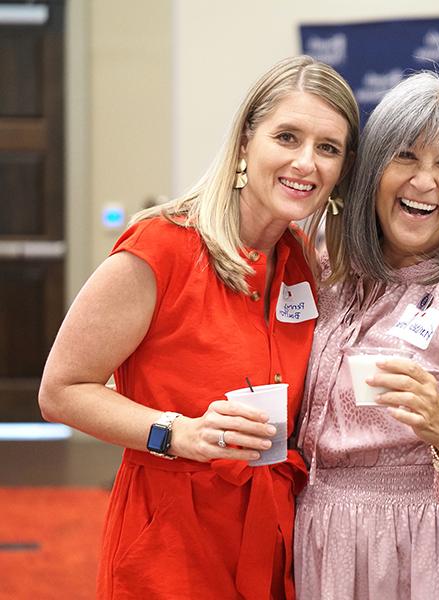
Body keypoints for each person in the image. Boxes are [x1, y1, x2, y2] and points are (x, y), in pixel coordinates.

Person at [38, 55, 359, 599]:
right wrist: (177, 433)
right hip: (170, 545)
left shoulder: (299, 259)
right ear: (244, 144)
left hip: (273, 539)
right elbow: (61, 392)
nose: (306, 162)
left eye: (327, 148)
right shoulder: (161, 247)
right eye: (287, 137)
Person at [293, 72, 439, 600]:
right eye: (405, 156)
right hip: (322, 540)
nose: (424, 183)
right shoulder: (332, 277)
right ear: (370, 171)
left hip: (428, 553)